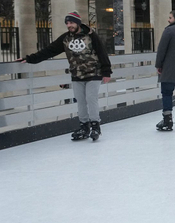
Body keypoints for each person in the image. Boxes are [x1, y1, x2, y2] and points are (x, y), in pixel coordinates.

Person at [19, 11, 112, 141]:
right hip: (76, 74)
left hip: (94, 73)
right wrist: (29, 59)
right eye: (67, 23)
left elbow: (102, 52)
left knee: (91, 99)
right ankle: (84, 127)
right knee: (80, 101)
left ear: (78, 23)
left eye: (72, 22)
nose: (69, 25)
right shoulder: (65, 39)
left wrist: (106, 71)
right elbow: (49, 51)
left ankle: (95, 126)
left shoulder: (91, 36)